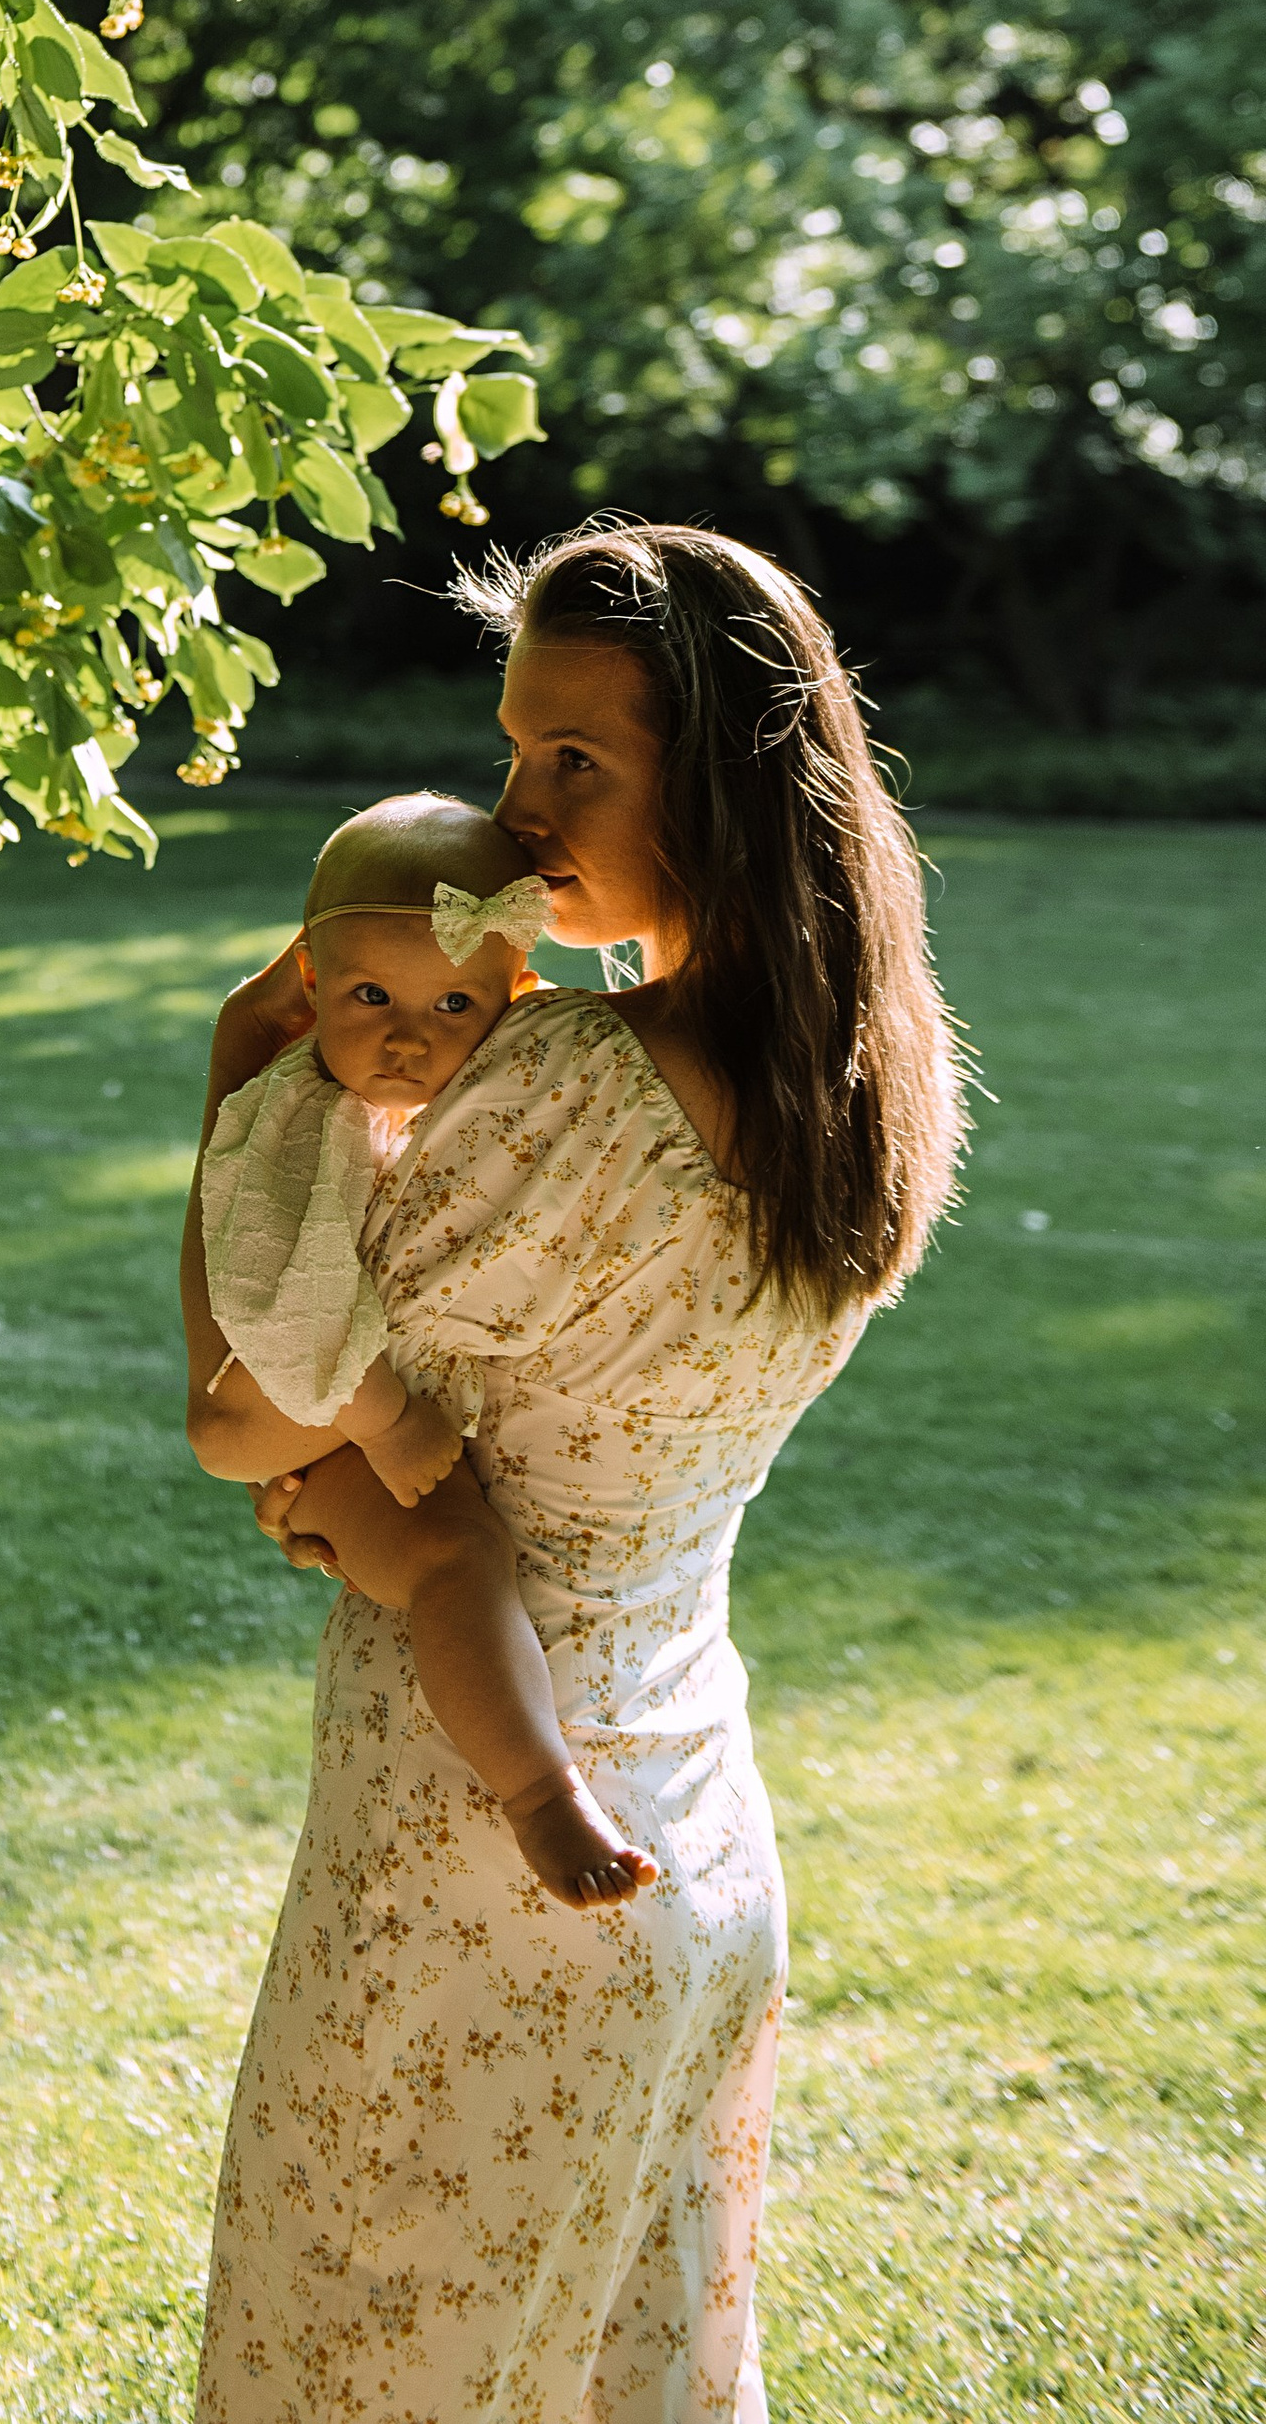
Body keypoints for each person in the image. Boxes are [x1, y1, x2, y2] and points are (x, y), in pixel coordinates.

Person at [194, 519, 964, 2424]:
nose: (517, 815)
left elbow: (257, 1396)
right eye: (514, 750)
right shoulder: (869, 1097)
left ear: (722, 779)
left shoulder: (556, 1092)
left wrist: (237, 1081)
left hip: (469, 1861)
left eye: (576, 761)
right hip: (691, 1831)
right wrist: (363, 1497)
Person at [184, 789, 657, 1909]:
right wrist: (389, 1421)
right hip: (277, 1396)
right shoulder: (297, 1120)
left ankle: (541, 1789)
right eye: (370, 997)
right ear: (309, 983)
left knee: (451, 1557)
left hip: (322, 1413)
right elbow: (278, 1306)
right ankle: (541, 1793)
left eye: (454, 1002)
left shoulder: (421, 1095)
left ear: (514, 997)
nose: (408, 1036)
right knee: (455, 1546)